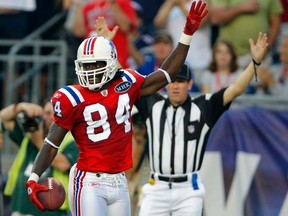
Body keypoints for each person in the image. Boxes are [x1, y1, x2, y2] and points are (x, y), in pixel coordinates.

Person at [24, 1, 208, 215]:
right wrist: (34, 177)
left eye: (96, 64)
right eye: (86, 65)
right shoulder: (71, 97)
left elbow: (165, 74)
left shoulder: (126, 82)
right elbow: (51, 141)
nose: (91, 70)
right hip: (89, 180)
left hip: (119, 180)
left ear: (111, 63)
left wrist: (186, 34)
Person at [133, 31, 269, 216]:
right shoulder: (152, 103)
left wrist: (255, 63)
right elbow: (125, 87)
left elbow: (236, 89)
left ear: (189, 85)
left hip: (189, 189)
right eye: (172, 81)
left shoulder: (203, 106)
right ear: (164, 84)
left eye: (180, 82)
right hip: (156, 186)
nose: (175, 86)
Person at [0, 101, 78, 216]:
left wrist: (39, 142)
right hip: (20, 208)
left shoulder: (71, 139)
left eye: (56, 112)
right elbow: (4, 118)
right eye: (47, 113)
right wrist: (20, 106)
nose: (52, 116)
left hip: (50, 211)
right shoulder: (29, 135)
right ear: (42, 116)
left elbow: (63, 164)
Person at [154, 0, 211, 87]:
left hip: (198, 62)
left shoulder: (201, 1)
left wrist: (180, 5)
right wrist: (170, 4)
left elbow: (201, 23)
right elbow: (158, 23)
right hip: (176, 61)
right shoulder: (171, 2)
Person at [210, 0, 283, 68]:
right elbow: (215, 18)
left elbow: (276, 24)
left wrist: (267, 47)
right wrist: (241, 8)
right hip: (233, 56)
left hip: (261, 56)